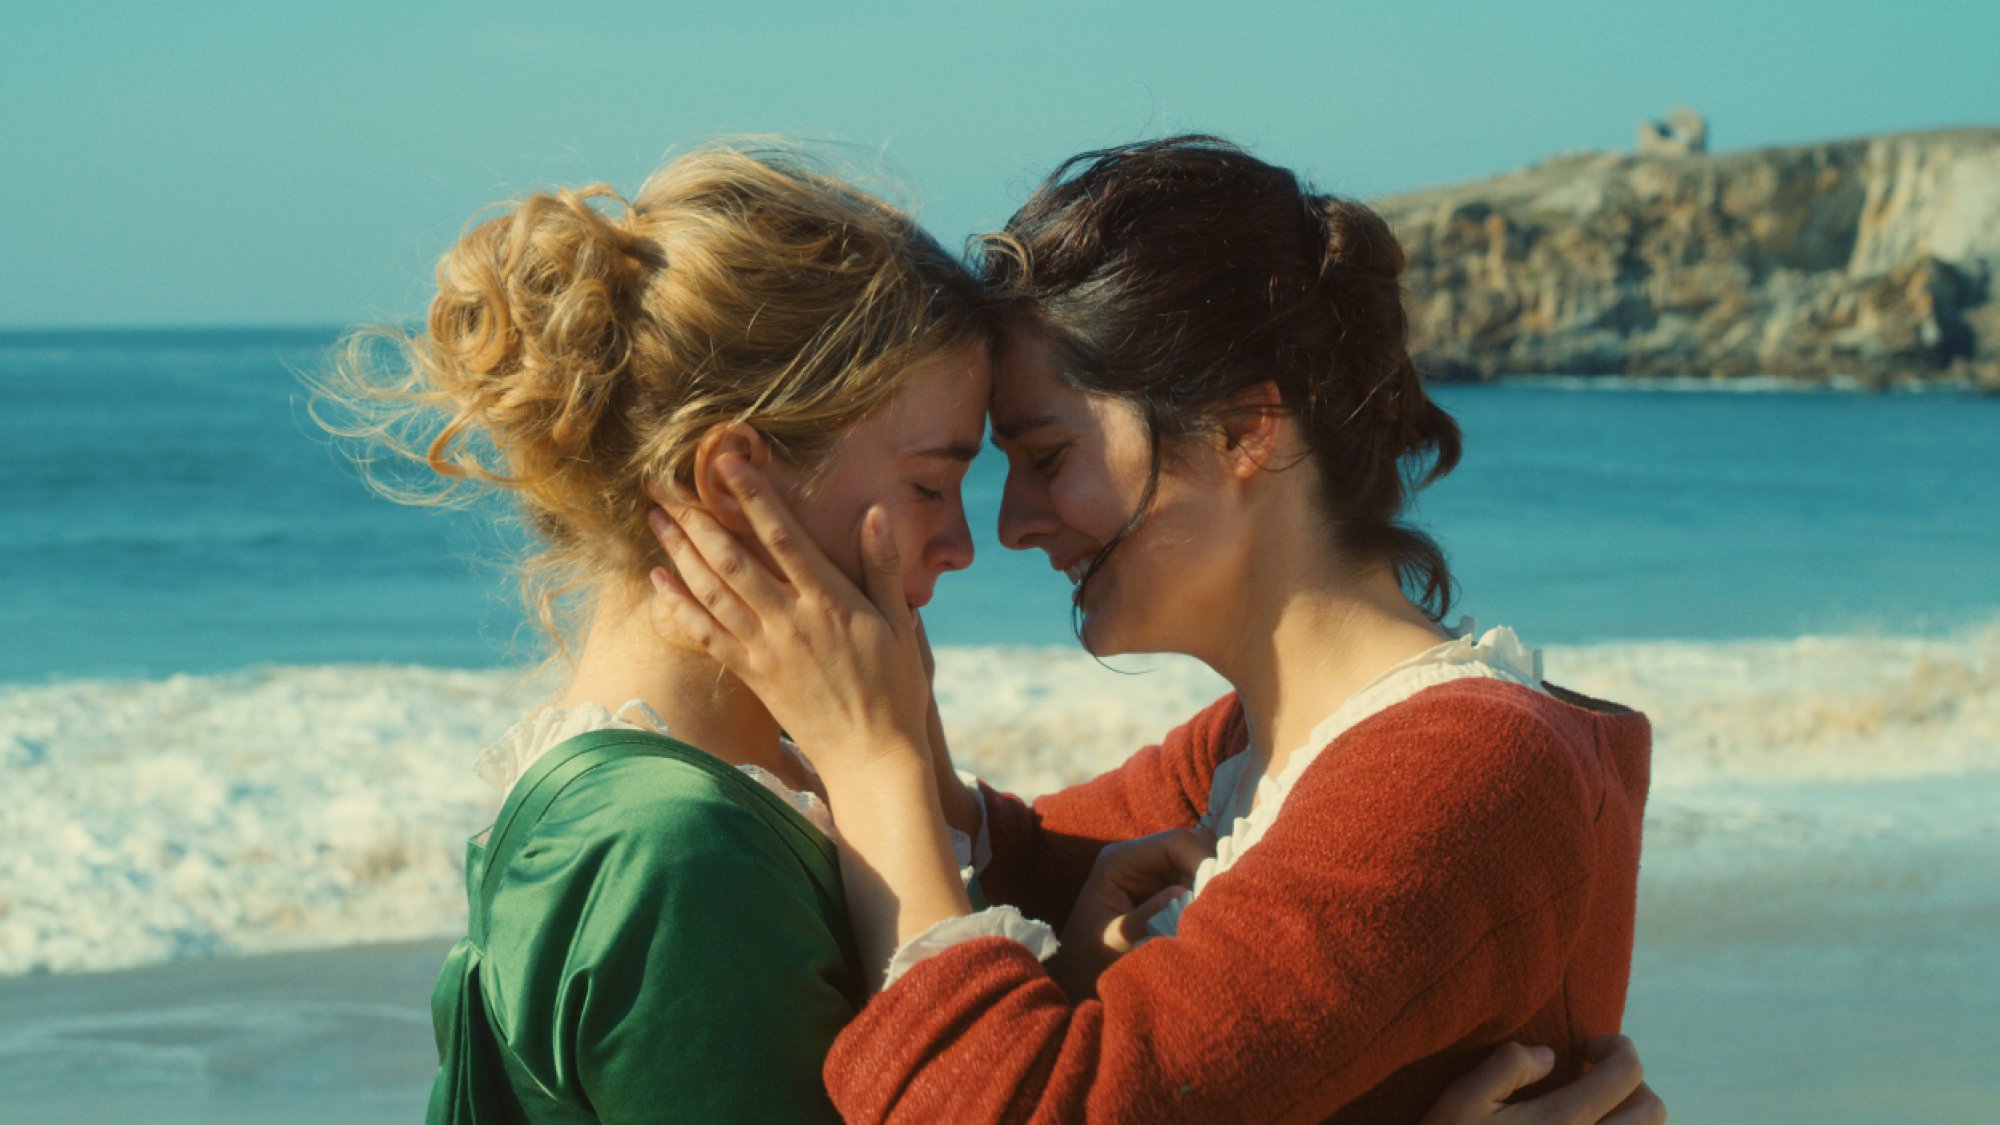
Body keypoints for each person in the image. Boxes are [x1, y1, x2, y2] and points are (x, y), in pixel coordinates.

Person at [327, 139, 1655, 1123]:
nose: (999, 531)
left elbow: (1024, 1074)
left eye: (1042, 453)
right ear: (734, 475)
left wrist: (879, 761)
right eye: (943, 477)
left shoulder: (1444, 771)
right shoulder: (1234, 767)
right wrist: (878, 762)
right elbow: (1005, 904)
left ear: (1250, 430)